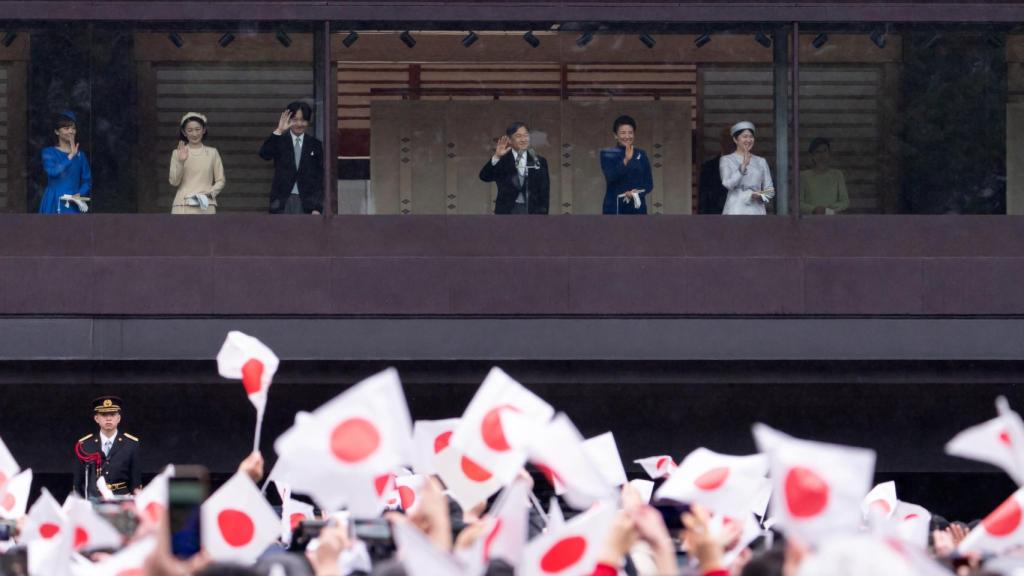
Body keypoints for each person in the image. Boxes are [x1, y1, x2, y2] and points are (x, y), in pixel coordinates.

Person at [259, 101, 324, 215]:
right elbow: (264, 154)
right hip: (282, 201)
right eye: (295, 120)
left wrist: (317, 207)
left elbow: (320, 178)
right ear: (288, 120)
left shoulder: (315, 145)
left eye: (303, 120)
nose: (299, 124)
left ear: (308, 121)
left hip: (307, 202)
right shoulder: (280, 140)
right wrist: (279, 130)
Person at [72, 395, 141, 498]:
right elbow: (78, 481)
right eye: (104, 415)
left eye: (112, 414)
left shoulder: (131, 444)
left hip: (122, 498)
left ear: (118, 418)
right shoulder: (85, 445)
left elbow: (135, 481)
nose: (108, 419)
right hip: (94, 498)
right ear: (96, 418)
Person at [478, 122, 550, 214]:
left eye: (526, 136)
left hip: (532, 210)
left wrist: (543, 217)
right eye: (518, 136)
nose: (523, 139)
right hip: (506, 210)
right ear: (509, 140)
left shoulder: (540, 161)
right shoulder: (502, 160)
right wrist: (496, 156)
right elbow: (484, 177)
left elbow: (544, 192)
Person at [169, 112, 225, 214]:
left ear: (204, 130)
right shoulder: (177, 153)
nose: (194, 134)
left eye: (197, 129)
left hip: (205, 205)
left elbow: (221, 180)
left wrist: (208, 194)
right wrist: (181, 161)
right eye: (190, 130)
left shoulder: (212, 153)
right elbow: (174, 182)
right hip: (183, 205)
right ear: (184, 132)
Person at [39, 111, 92, 214]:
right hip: (54, 201)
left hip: (73, 202)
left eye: (73, 128)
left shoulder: (81, 156)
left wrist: (79, 194)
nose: (71, 131)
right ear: (57, 132)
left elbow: (87, 180)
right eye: (66, 128)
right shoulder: (49, 152)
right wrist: (70, 156)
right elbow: (53, 172)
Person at [600, 115, 654, 215]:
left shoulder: (641, 154)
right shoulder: (607, 154)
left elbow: (649, 184)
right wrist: (626, 160)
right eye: (623, 133)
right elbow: (611, 176)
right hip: (614, 207)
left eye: (630, 133)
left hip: (637, 208)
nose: (627, 136)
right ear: (615, 135)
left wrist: (636, 193)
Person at [720, 121, 774, 215]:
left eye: (751, 137)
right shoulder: (727, 160)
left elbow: (770, 192)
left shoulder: (761, 161)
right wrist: (743, 166)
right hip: (735, 209)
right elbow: (727, 184)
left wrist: (759, 195)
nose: (748, 140)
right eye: (745, 136)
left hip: (756, 210)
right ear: (735, 140)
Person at [799, 137, 849, 215]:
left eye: (825, 151)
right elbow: (798, 203)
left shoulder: (837, 175)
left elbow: (845, 202)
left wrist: (829, 209)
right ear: (812, 155)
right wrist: (814, 209)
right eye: (818, 152)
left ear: (829, 153)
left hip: (832, 219)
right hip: (810, 221)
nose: (822, 155)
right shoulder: (803, 176)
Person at [698, 128, 733, 214]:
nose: (730, 144)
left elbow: (767, 192)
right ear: (721, 142)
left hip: (742, 219)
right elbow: (703, 201)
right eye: (726, 140)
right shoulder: (708, 168)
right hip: (715, 219)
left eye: (732, 141)